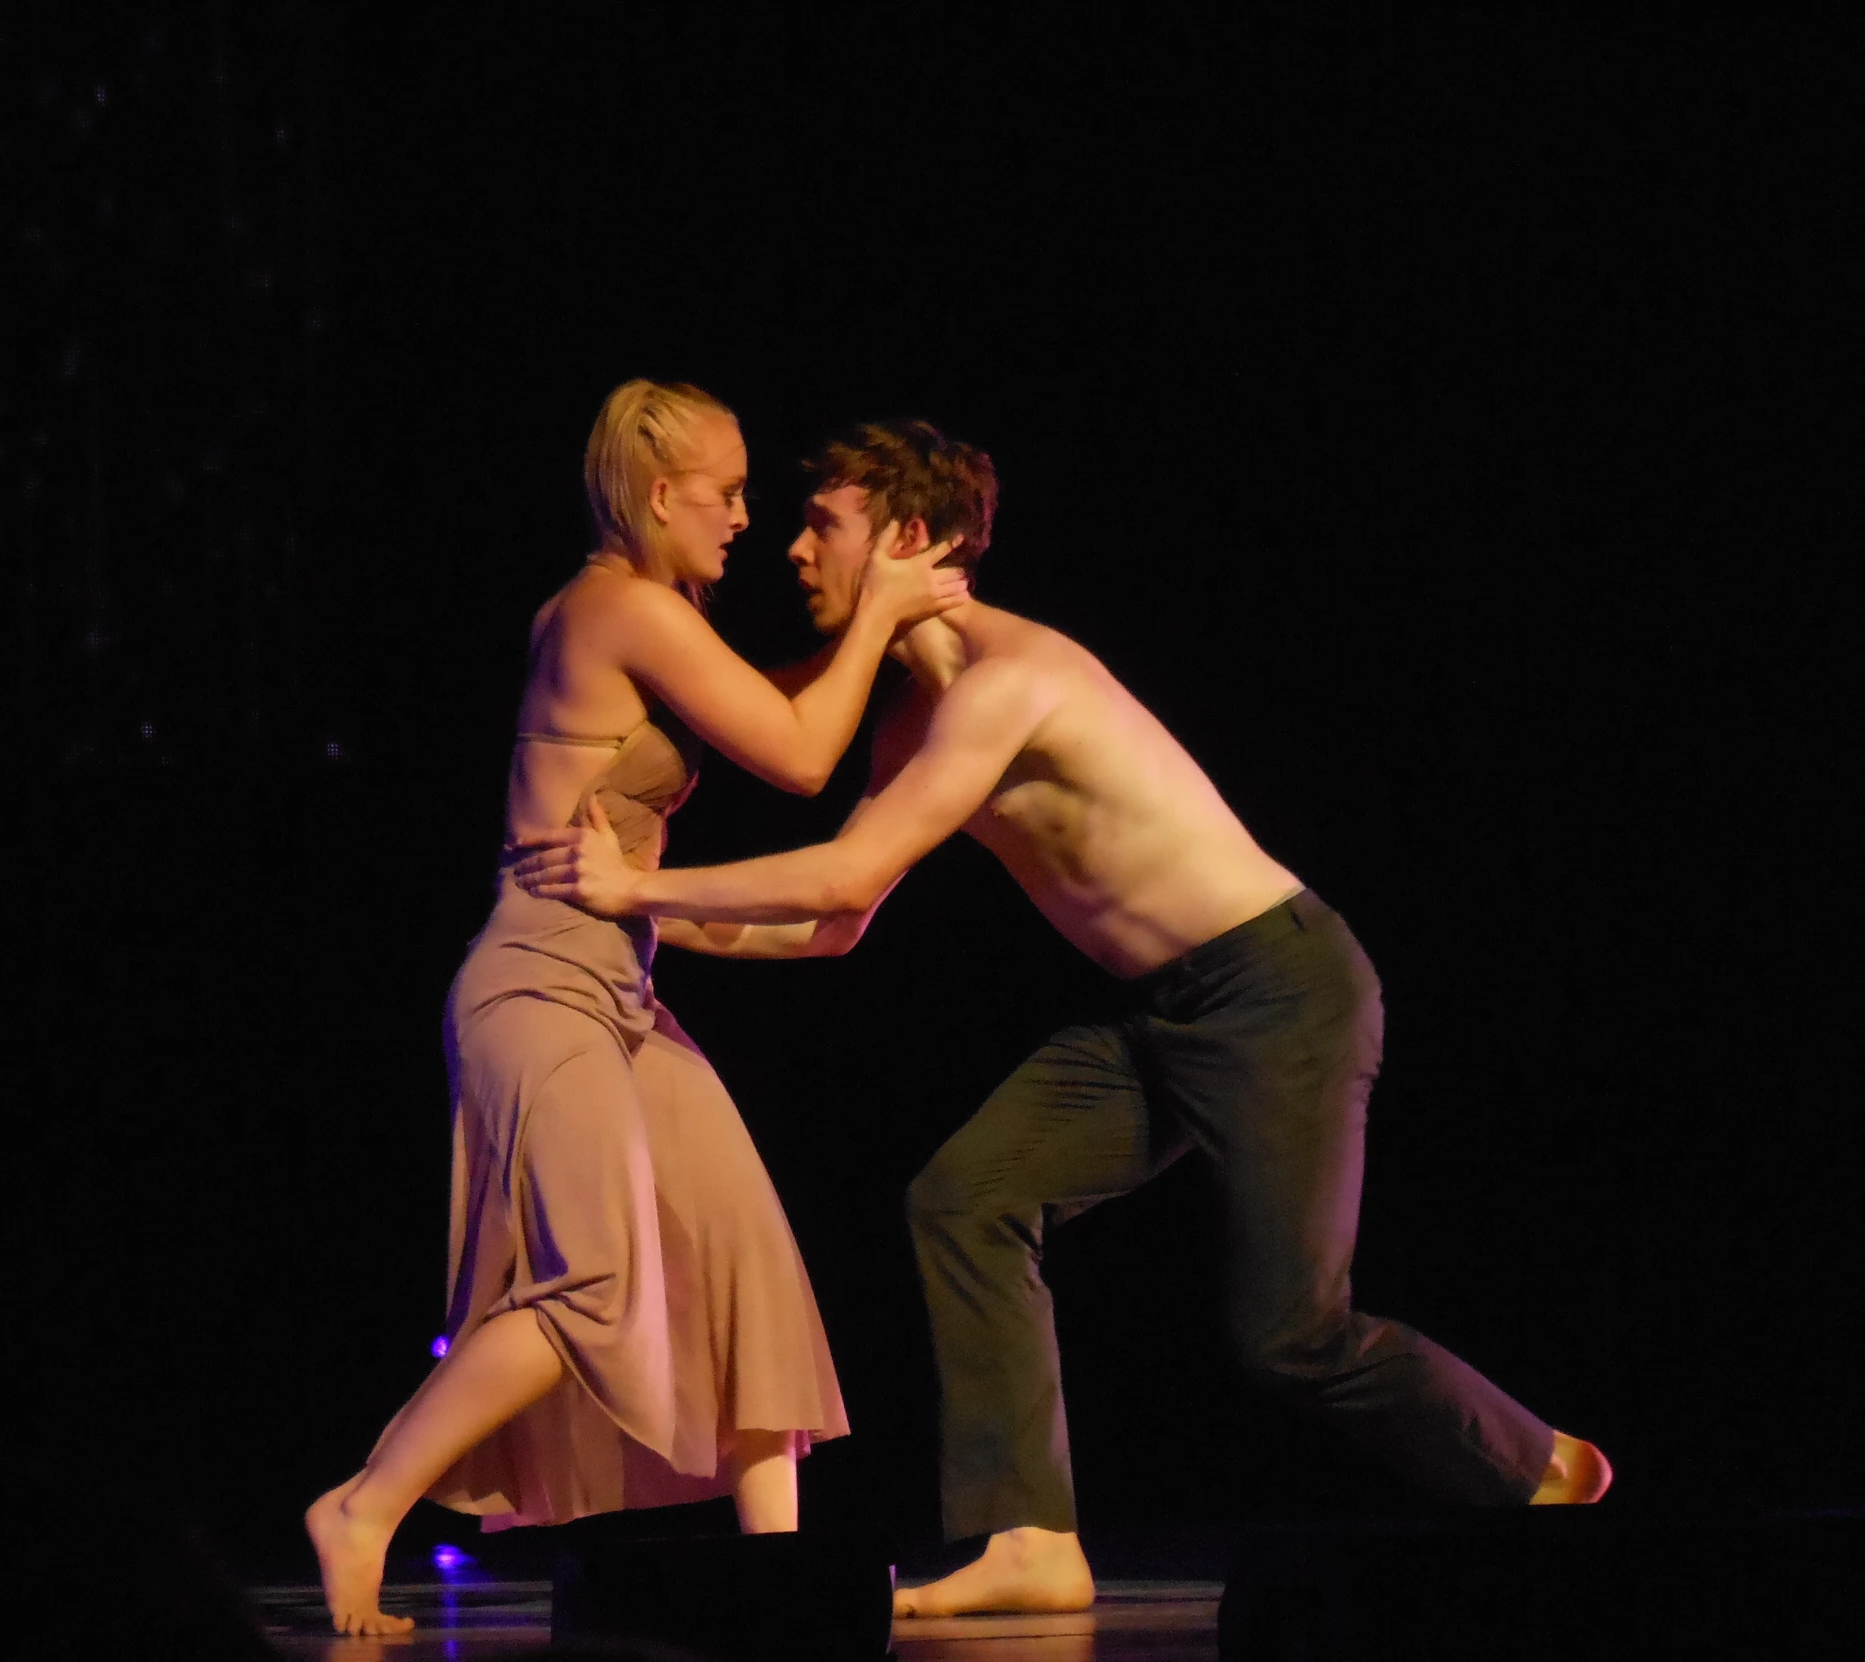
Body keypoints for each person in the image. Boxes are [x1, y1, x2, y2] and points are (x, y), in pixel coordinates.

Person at [511, 417, 1615, 1620]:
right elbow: (836, 922)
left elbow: (828, 880)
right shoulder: (906, 723)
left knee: (1289, 1333)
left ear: (910, 539)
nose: (791, 550)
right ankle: (1029, 1539)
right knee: (965, 1198)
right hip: (1160, 1012)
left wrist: (638, 888)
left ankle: (1540, 1467)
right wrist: (631, 928)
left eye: (822, 525)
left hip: (1278, 990)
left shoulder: (1011, 680)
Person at [305, 384, 968, 1636]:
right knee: (594, 1281)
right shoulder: (618, 607)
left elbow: (766, 729)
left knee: (743, 1264)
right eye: (725, 493)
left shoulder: (653, 622)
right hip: (538, 992)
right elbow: (800, 754)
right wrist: (880, 607)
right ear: (661, 494)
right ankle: (362, 1507)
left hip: (616, 992)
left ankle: (780, 1578)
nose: (742, 518)